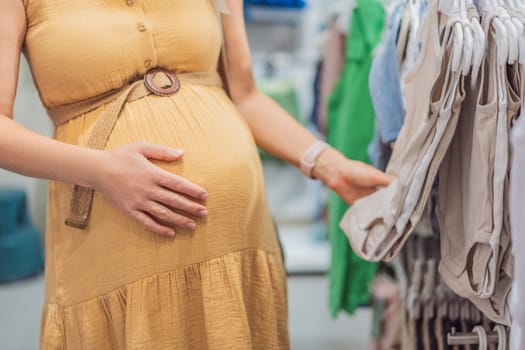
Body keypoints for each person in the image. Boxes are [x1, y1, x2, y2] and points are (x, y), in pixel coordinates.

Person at [0, 0, 393, 348]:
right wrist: (101, 172)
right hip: (113, 244)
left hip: (236, 236)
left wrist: (331, 166)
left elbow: (247, 96)